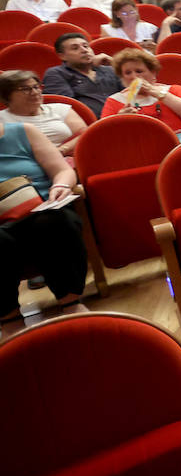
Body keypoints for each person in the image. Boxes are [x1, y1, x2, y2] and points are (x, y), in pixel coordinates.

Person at [0, 115, 84, 323]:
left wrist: (61, 185)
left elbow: (62, 170)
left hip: (40, 209)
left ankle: (71, 302)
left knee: (55, 222)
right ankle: (9, 318)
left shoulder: (24, 132)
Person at [98, 49, 181, 131]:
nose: (134, 76)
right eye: (128, 73)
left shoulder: (174, 90)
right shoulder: (114, 101)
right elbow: (104, 134)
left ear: (153, 73)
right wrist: (120, 121)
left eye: (139, 71)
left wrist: (160, 94)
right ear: (122, 79)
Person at [0, 69, 86, 157]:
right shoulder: (1, 119)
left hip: (67, 157)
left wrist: (61, 150)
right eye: (25, 89)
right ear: (7, 95)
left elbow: (85, 135)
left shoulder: (60, 109)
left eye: (36, 87)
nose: (34, 92)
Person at [42, 32, 120, 117]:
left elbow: (132, 93)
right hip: (87, 124)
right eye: (75, 48)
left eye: (86, 46)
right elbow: (67, 109)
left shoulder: (109, 69)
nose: (84, 50)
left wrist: (115, 64)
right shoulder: (56, 74)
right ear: (62, 56)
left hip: (121, 118)